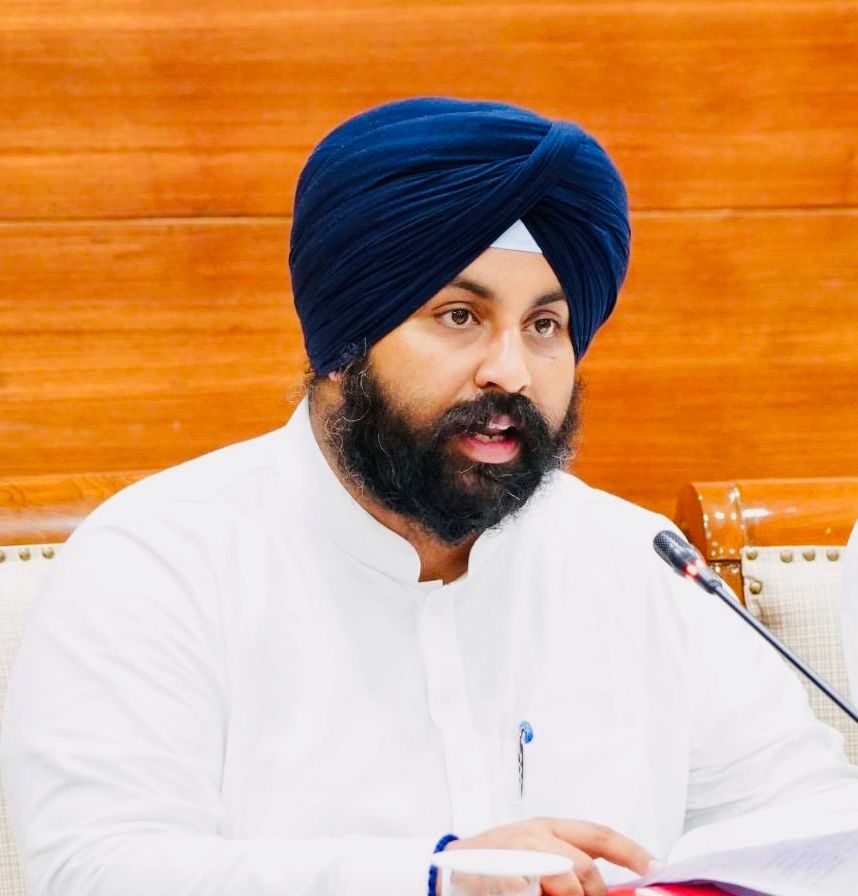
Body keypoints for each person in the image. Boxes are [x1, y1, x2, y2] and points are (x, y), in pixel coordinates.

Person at [2, 97, 857, 896]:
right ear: (342, 343)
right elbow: (94, 869)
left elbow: (807, 831)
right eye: (459, 316)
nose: (510, 372)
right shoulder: (159, 561)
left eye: (545, 326)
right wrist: (435, 876)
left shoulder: (639, 565)